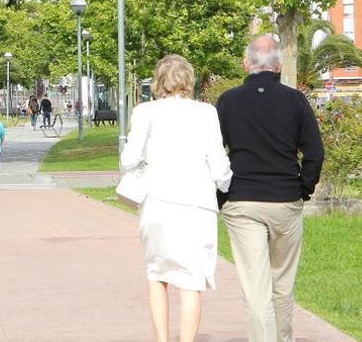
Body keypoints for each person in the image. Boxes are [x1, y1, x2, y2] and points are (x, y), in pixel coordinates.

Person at [215, 35, 325, 341]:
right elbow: (315, 152)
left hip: (243, 201)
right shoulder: (296, 100)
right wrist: (304, 189)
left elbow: (214, 154)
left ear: (246, 63)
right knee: (282, 284)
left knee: (256, 287)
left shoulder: (227, 101)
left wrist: (222, 195)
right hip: (285, 200)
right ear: (278, 64)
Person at [122, 54, 232, 342]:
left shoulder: (144, 112)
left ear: (158, 81)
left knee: (157, 274)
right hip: (196, 206)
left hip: (157, 203)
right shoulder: (206, 112)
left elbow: (129, 159)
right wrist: (225, 184)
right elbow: (218, 162)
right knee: (191, 281)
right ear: (188, 81)